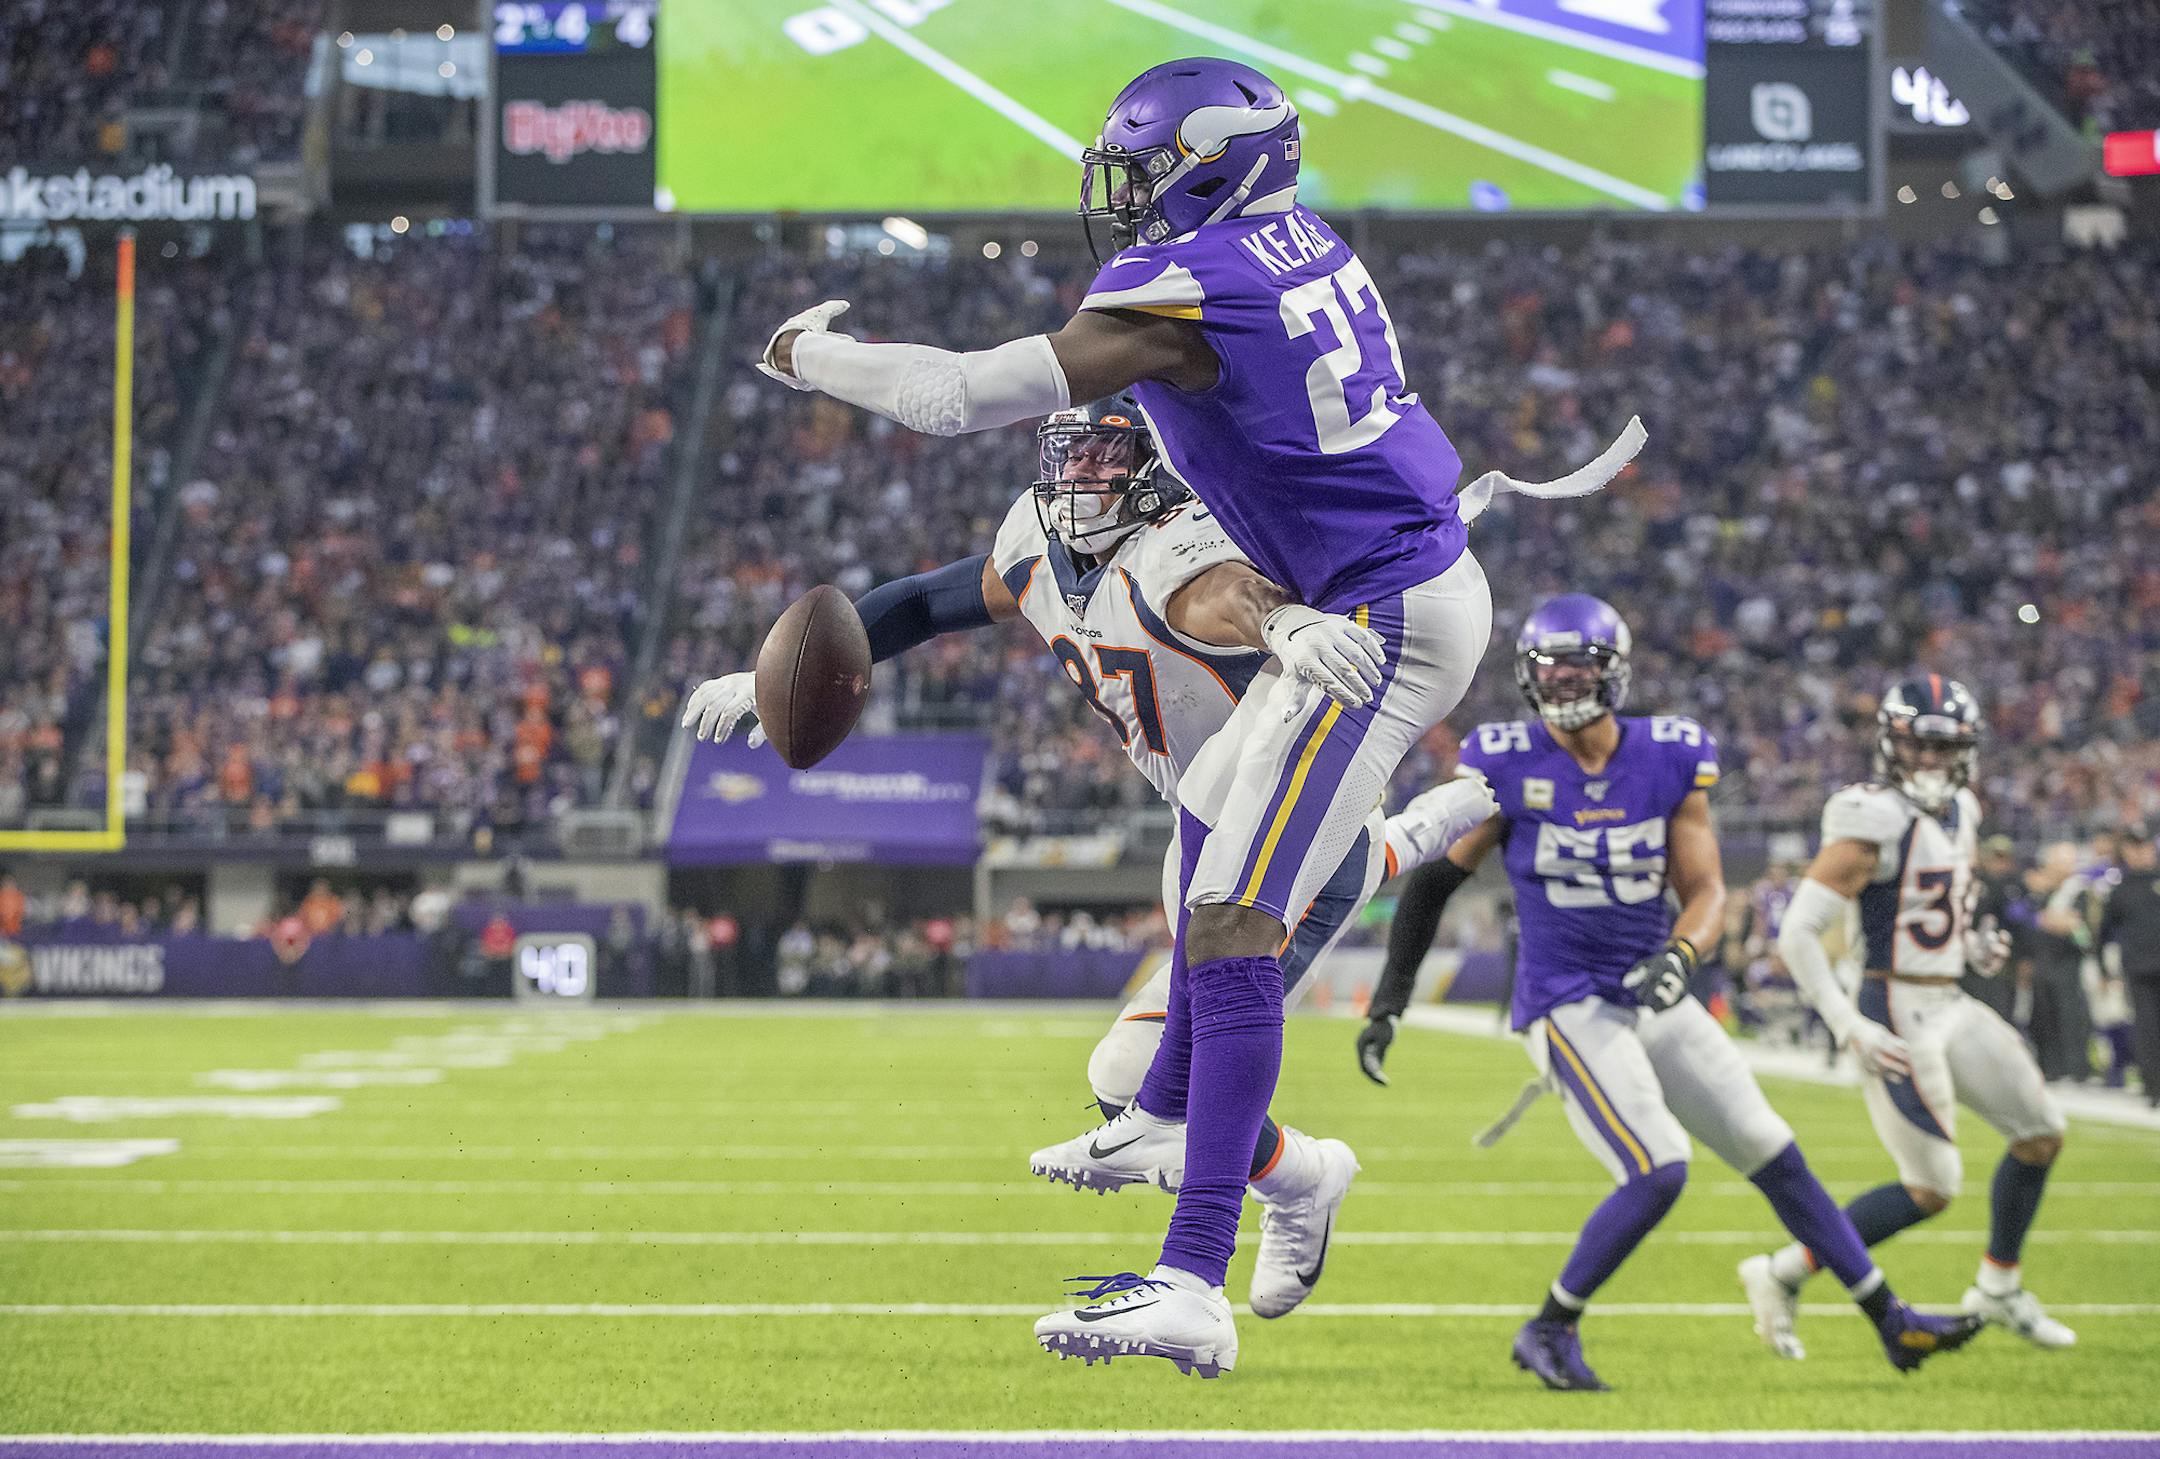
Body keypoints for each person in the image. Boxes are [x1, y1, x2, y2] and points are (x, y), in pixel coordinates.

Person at [753, 56, 1640, 1377]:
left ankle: (1191, 1278)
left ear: (1215, 165)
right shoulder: (1293, 237)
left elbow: (955, 397)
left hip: (1380, 615)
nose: (1120, 197)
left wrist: (808, 352)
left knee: (1232, 923)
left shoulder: (1190, 289)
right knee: (1211, 815)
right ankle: (1166, 1112)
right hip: (1384, 579)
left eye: (1143, 171)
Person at [682, 402, 1497, 1358]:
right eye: (1069, 454)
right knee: (1133, 1083)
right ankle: (1304, 1156)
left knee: (1134, 1075)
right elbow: (926, 601)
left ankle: (1287, 1190)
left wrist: (1281, 622)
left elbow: (1230, 595)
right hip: (1201, 824)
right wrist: (771, 677)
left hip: (1283, 825)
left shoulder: (1192, 536)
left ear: (1157, 467)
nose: (1080, 478)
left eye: (1107, 456)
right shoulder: (1037, 544)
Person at [1355, 597, 1979, 1389]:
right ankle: (1548, 1326)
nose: (1562, 683)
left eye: (1578, 669)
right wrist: (1390, 1000)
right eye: (1549, 670)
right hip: (1566, 999)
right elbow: (1433, 882)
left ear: (1613, 673)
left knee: (1772, 1149)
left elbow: (1706, 889)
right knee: (1659, 1166)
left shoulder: (1666, 756)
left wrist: (1682, 953)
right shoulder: (1506, 761)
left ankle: (1892, 1321)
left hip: (1651, 989)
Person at [1749, 677, 2076, 1351]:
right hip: (1892, 1005)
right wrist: (1847, 1024)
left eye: (1943, 746)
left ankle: (1998, 1287)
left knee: (2041, 1133)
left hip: (1947, 997)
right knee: (1932, 1187)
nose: (1930, 759)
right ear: (1891, 745)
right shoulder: (1873, 816)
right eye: (1918, 745)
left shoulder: (1964, 807)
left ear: (1965, 751)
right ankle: (1780, 1271)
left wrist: (1971, 946)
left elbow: (1937, 905)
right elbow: (1798, 933)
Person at [2100, 827, 2160, 1106]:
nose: (2139, 853)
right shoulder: (2119, 889)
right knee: (2146, 1027)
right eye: (2133, 848)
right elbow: (2104, 932)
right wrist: (2105, 969)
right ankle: (2153, 1086)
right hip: (2139, 969)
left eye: (2143, 847)